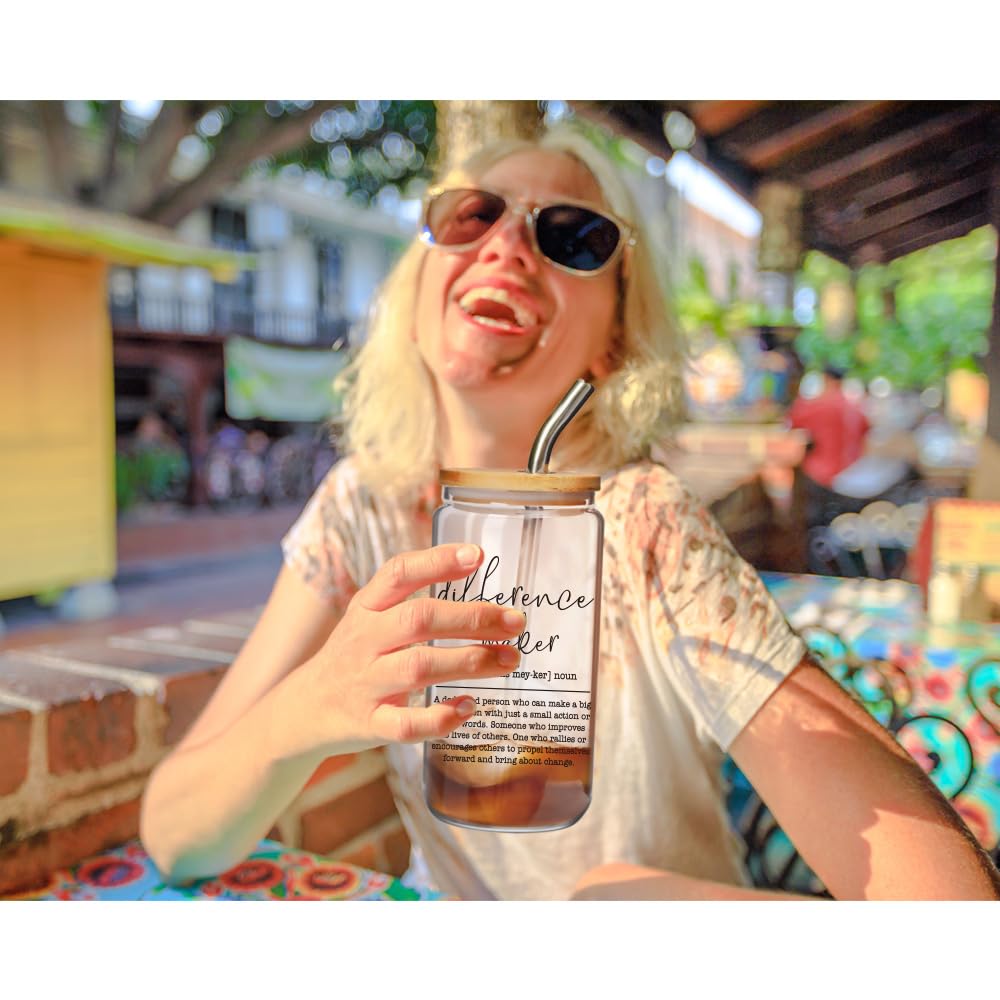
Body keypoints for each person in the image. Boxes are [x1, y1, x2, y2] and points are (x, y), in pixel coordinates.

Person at [139, 126, 1000, 901]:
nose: (508, 242)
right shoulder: (362, 506)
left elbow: (942, 909)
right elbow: (178, 840)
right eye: (470, 214)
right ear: (419, 276)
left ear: (616, 337)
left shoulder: (641, 522)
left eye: (570, 237)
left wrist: (621, 902)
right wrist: (312, 704)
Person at [787, 365, 871, 488]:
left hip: (824, 473)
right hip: (853, 470)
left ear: (826, 379)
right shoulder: (855, 407)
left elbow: (792, 420)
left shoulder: (820, 405)